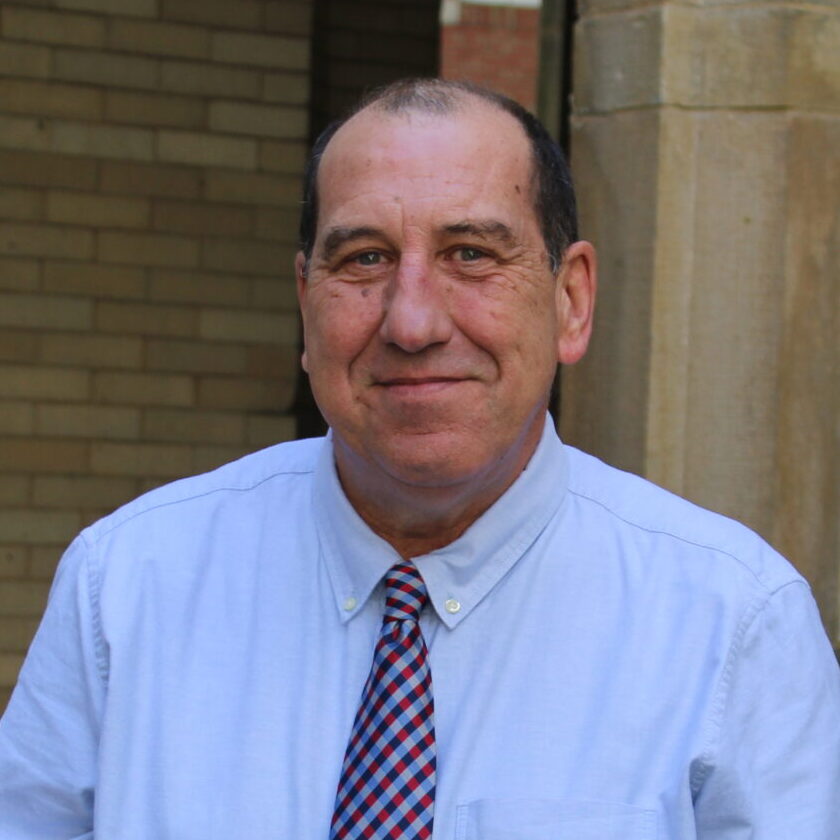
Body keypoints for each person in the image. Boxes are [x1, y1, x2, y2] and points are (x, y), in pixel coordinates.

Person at [1, 78, 838, 839]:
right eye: (363, 258)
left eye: (471, 254)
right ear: (305, 303)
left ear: (571, 300)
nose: (412, 322)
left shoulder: (734, 626)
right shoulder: (126, 588)